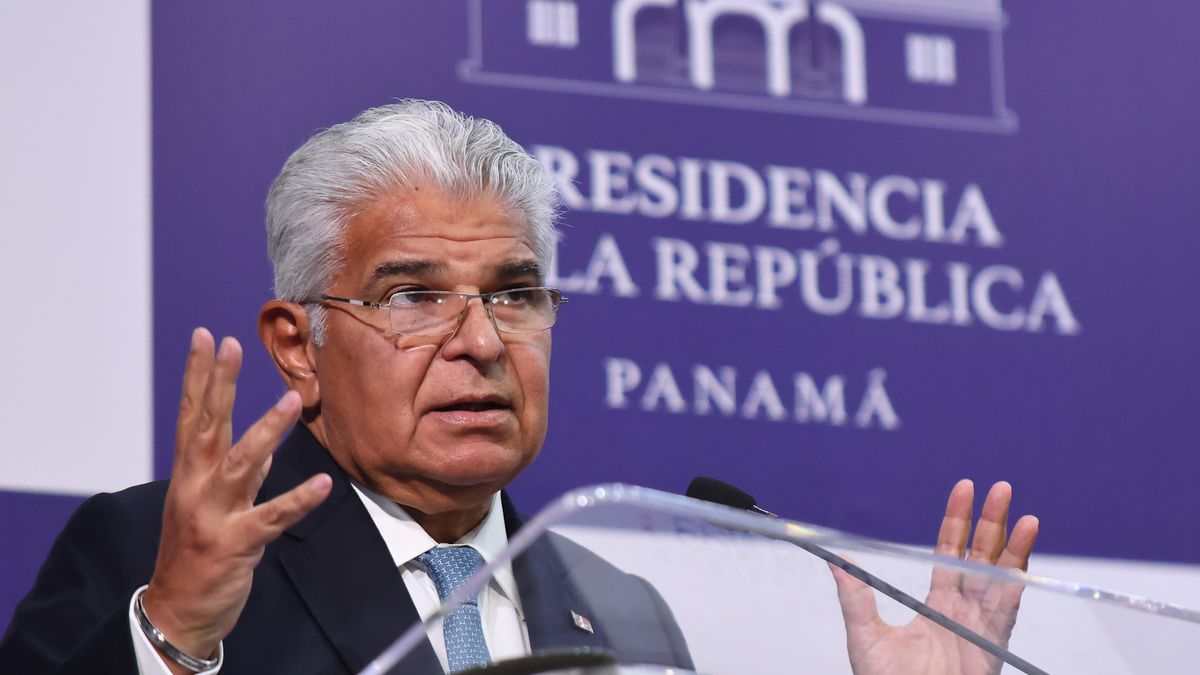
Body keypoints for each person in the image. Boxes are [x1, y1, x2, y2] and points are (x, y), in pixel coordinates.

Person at [0, 100, 1038, 675]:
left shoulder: (622, 613)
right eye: (412, 297)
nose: (481, 341)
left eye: (516, 295)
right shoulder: (149, 562)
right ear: (299, 344)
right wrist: (172, 638)